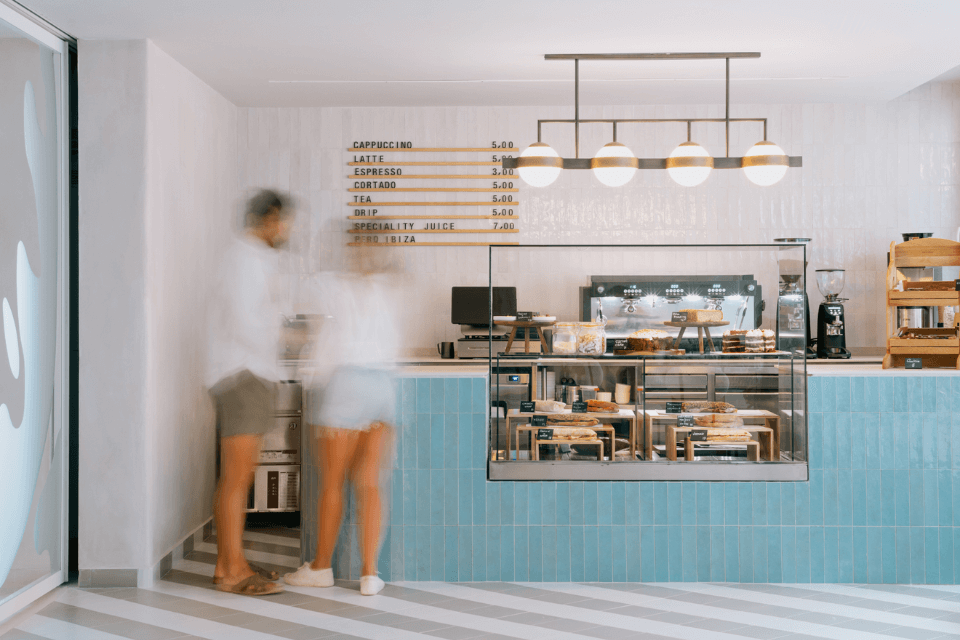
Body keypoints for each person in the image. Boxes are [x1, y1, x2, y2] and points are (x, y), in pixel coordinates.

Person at [284, 250, 401, 596]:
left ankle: (321, 567)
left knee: (333, 482)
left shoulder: (331, 285)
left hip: (347, 385)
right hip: (382, 386)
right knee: (370, 484)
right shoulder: (388, 290)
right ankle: (369, 575)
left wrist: (314, 378)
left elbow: (321, 341)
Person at [206, 189, 292, 596]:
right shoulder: (243, 258)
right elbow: (245, 320)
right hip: (243, 374)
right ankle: (230, 571)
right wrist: (284, 336)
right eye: (282, 221)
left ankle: (231, 562)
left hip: (249, 373)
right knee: (237, 477)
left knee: (240, 476)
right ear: (267, 219)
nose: (286, 229)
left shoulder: (253, 258)